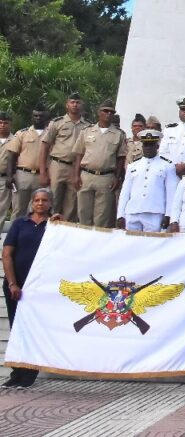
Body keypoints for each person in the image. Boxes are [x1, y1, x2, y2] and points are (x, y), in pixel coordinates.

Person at [1, 188, 59, 388]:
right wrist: (12, 283)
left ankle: (29, 374)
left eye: (44, 200)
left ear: (50, 203)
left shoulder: (54, 225)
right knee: (17, 329)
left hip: (40, 290)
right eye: (37, 200)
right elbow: (7, 254)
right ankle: (17, 372)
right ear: (32, 203)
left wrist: (62, 224)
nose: (40, 204)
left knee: (34, 330)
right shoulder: (19, 224)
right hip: (16, 286)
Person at [72, 99, 127, 227]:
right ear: (99, 112)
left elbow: (121, 158)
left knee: (102, 217)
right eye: (105, 111)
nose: (108, 114)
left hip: (106, 177)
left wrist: (117, 177)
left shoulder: (119, 134)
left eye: (111, 112)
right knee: (83, 213)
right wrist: (76, 175)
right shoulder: (87, 131)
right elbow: (79, 154)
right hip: (86, 175)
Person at [40, 92, 89, 221]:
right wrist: (43, 171)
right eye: (72, 102)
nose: (75, 105)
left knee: (71, 203)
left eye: (78, 103)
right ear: (67, 105)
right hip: (58, 165)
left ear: (82, 105)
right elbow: (45, 146)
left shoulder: (88, 126)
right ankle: (48, 230)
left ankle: (66, 233)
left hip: (76, 168)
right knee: (53, 199)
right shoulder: (57, 123)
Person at [116, 130, 178, 232]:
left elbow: (171, 193)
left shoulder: (167, 166)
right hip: (132, 211)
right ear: (142, 146)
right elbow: (125, 192)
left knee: (152, 245)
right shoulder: (133, 166)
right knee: (131, 244)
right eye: (146, 145)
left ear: (157, 147)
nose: (148, 148)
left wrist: (168, 215)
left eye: (151, 145)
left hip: (154, 212)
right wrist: (120, 215)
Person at [6, 104, 49, 218]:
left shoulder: (52, 134)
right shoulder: (22, 133)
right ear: (32, 117)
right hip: (23, 175)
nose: (38, 118)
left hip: (42, 176)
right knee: (19, 209)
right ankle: (16, 234)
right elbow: (12, 154)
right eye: (35, 116)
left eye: (41, 116)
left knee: (39, 210)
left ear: (46, 117)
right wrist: (9, 176)